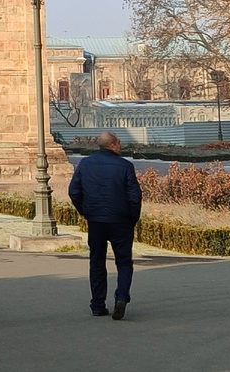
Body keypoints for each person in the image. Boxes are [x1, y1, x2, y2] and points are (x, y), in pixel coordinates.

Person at [68, 131, 142, 320]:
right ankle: (121, 297)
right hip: (121, 220)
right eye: (119, 143)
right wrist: (132, 218)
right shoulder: (125, 166)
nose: (121, 146)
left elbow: (74, 191)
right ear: (113, 144)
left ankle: (97, 305)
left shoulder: (85, 164)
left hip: (96, 221)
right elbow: (134, 196)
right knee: (124, 261)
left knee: (97, 261)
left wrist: (85, 211)